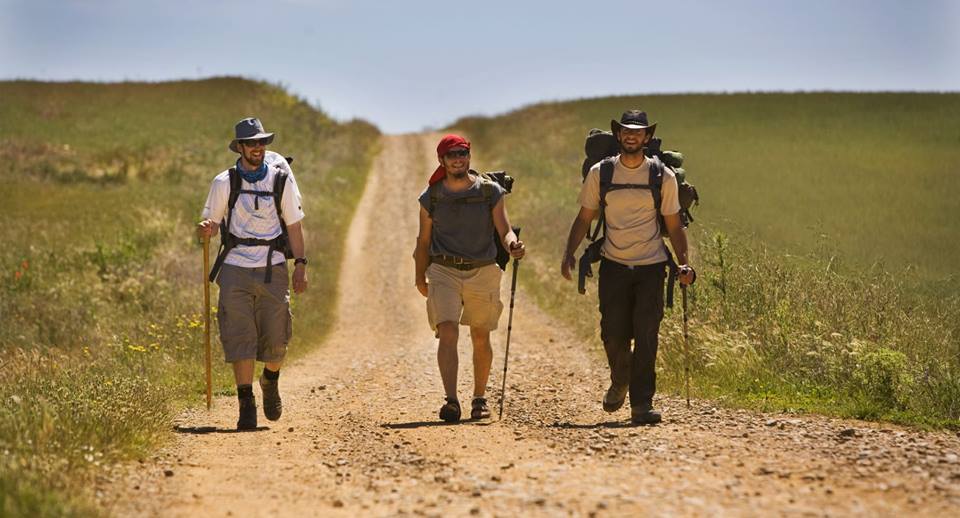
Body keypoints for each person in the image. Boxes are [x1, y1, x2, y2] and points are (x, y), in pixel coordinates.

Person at [561, 110, 695, 425]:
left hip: (652, 266)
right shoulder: (601, 173)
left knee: (647, 334)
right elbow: (584, 217)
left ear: (647, 137)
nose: (631, 136)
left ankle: (642, 404)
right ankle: (620, 379)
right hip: (613, 264)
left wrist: (684, 263)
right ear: (619, 135)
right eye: (626, 131)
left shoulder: (663, 176)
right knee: (613, 333)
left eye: (638, 132)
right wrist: (569, 252)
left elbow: (675, 226)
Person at [197, 117, 308, 430]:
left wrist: (300, 264)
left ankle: (270, 379)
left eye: (262, 142)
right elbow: (211, 224)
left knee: (278, 339)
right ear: (240, 147)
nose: (258, 148)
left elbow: (294, 226)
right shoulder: (224, 182)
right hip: (234, 267)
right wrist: (205, 230)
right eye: (252, 143)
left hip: (273, 266)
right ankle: (246, 403)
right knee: (239, 334)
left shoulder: (280, 180)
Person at [413, 134, 525, 423]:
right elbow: (423, 242)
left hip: (483, 268)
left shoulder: (490, 192)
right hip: (443, 269)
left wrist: (513, 244)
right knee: (447, 331)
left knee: (479, 334)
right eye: (451, 155)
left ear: (469, 156)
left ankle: (479, 398)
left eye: (462, 153)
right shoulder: (432, 197)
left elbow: (504, 229)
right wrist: (419, 277)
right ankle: (451, 401)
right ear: (442, 160)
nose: (458, 159)